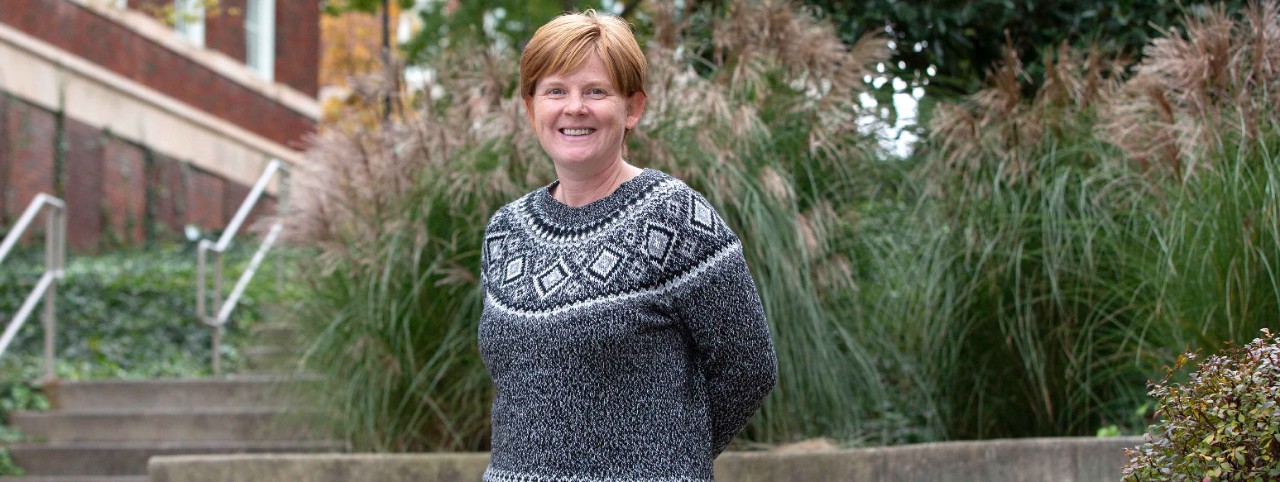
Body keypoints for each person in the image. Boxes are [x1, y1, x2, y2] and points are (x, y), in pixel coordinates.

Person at [477, 10, 777, 482]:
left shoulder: (675, 216)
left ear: (632, 107)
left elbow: (749, 368)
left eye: (596, 91)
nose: (574, 107)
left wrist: (667, 462)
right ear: (532, 107)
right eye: (556, 90)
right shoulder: (505, 232)